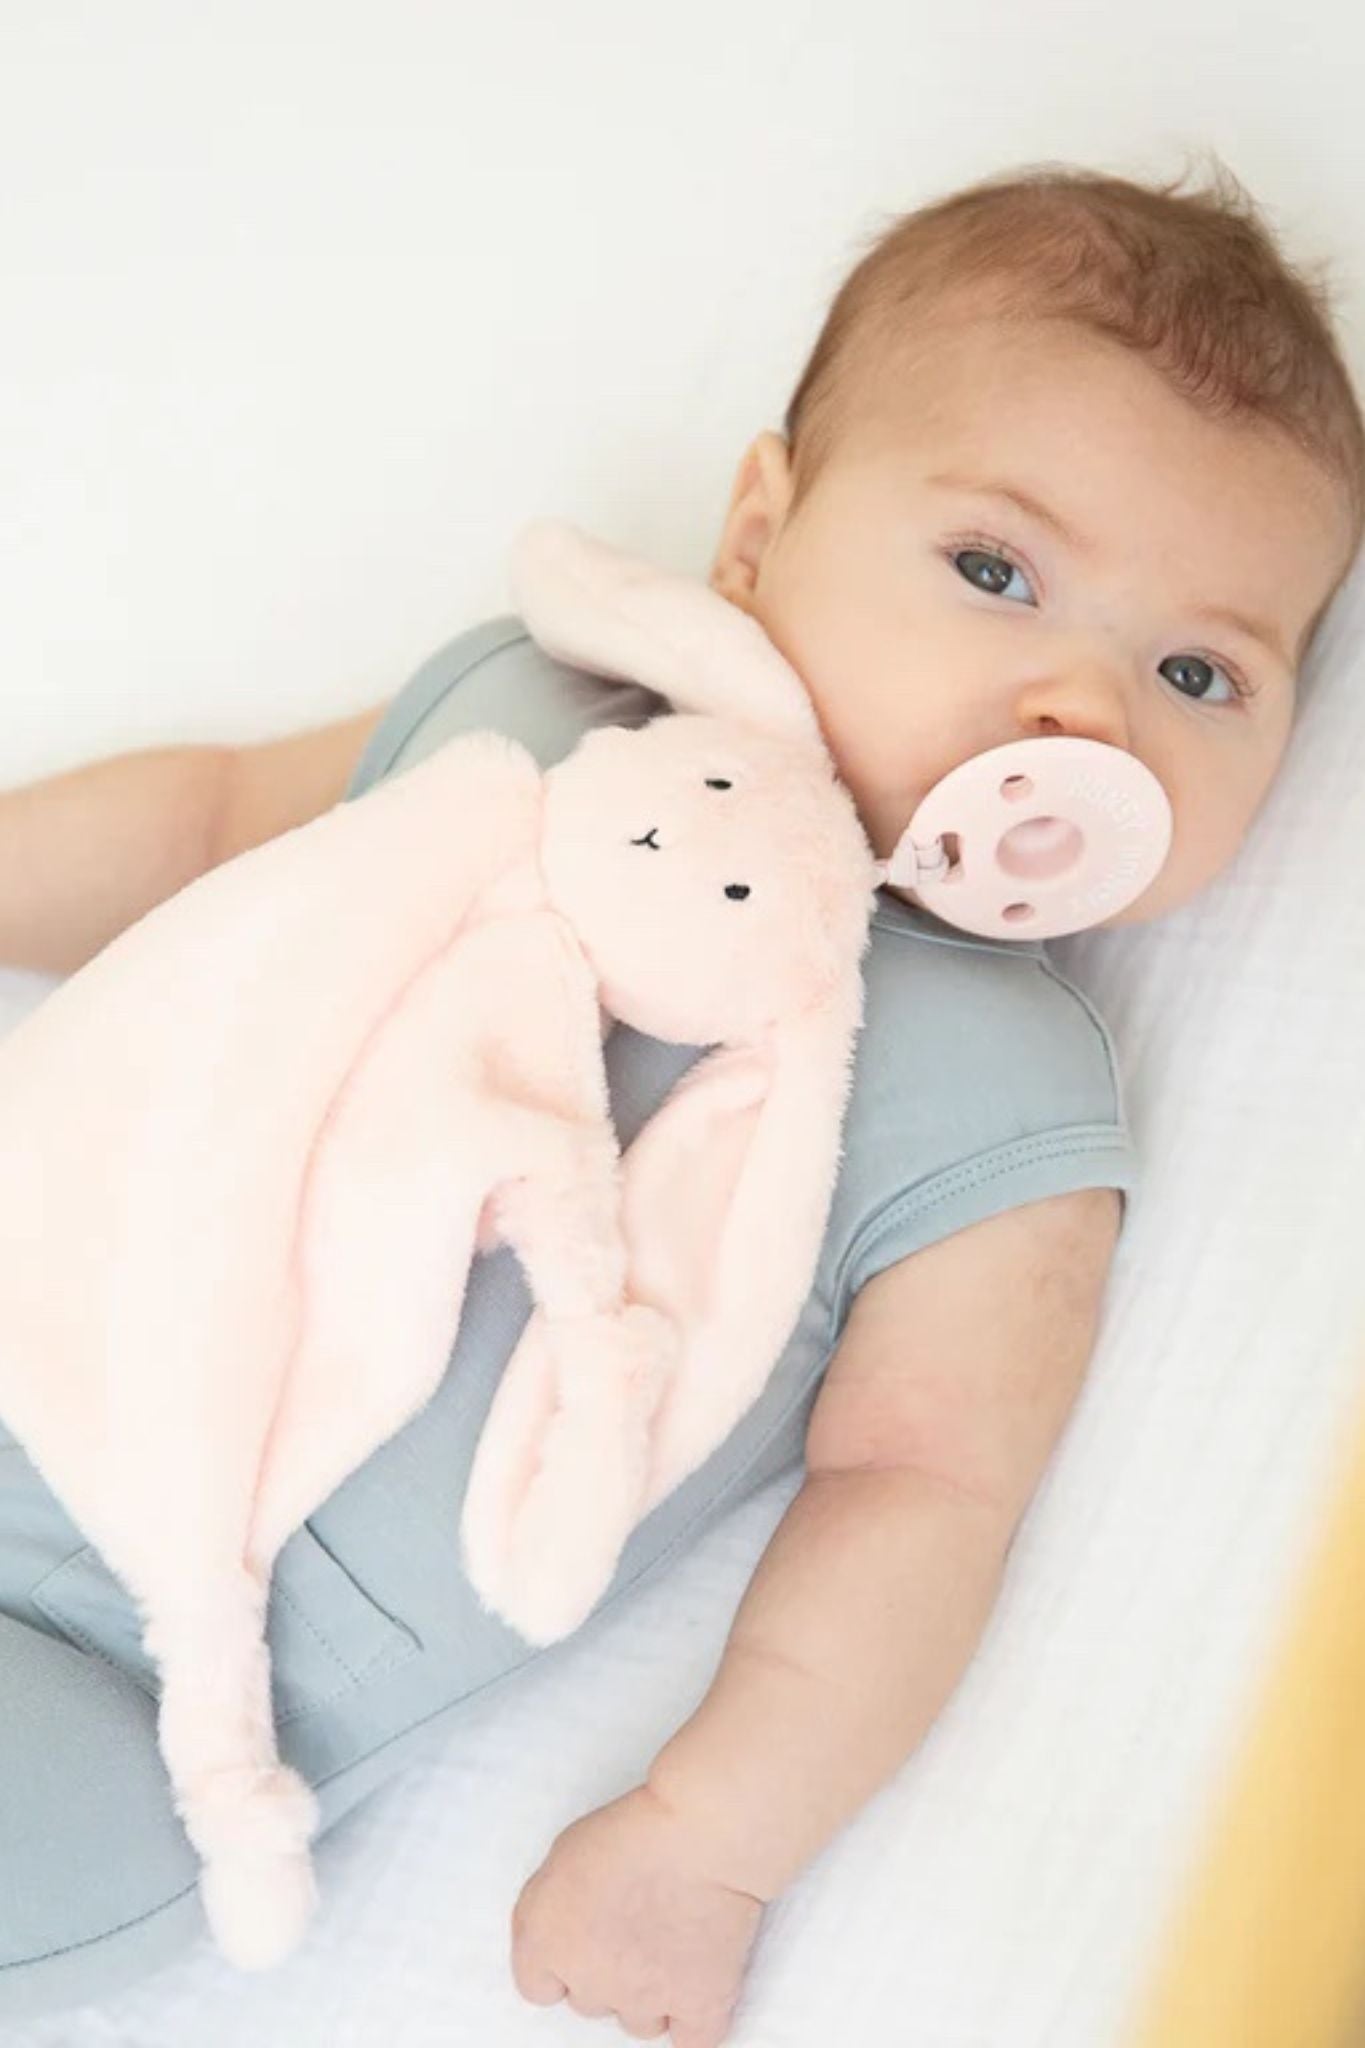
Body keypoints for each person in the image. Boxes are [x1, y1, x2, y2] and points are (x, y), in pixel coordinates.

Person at [0, 158, 1360, 2042]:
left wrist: (704, 1842)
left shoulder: (1001, 1100)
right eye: (994, 572)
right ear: (754, 535)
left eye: (1197, 671)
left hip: (161, 1684)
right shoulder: (548, 706)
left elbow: (919, 1495)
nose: (1081, 710)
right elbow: (213, 817)